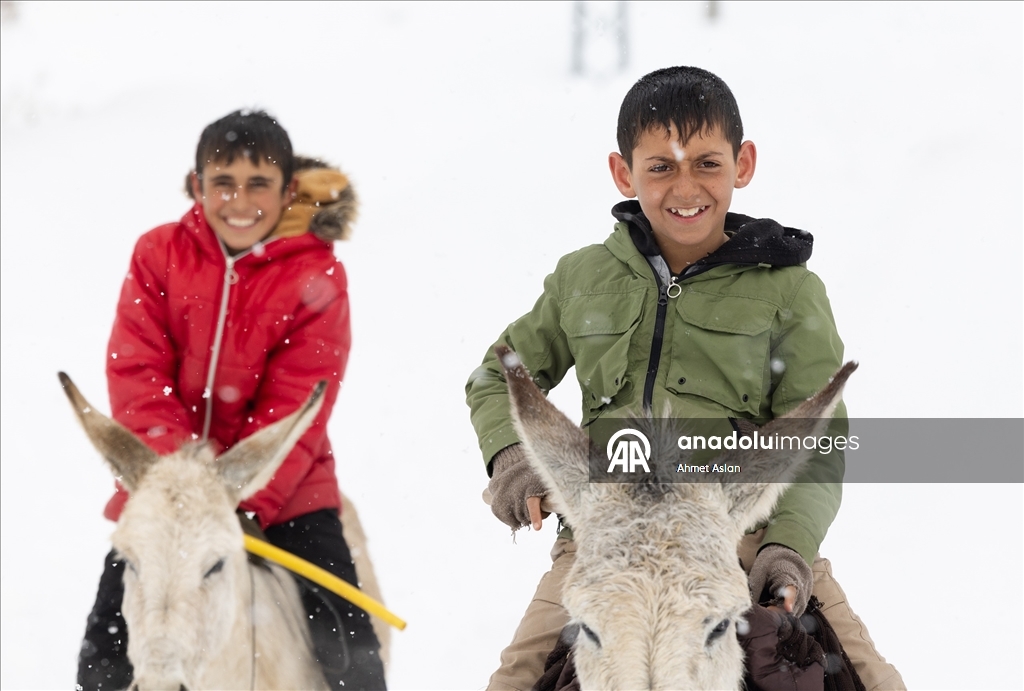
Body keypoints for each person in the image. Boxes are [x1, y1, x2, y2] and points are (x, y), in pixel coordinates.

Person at [466, 67, 904, 691]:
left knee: (873, 680)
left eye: (706, 163)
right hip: (607, 543)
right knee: (515, 677)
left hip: (742, 539)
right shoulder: (581, 279)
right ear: (624, 173)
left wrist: (789, 547)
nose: (686, 187)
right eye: (661, 168)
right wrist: (513, 459)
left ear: (742, 163)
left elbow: (819, 441)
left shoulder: (790, 292)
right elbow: (497, 375)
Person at [76, 109, 386, 690]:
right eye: (222, 183)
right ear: (197, 186)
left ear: (288, 189)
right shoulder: (157, 254)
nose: (239, 201)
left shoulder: (316, 274)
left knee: (350, 652)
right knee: (103, 660)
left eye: (258, 184)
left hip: (287, 490)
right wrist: (183, 483)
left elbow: (301, 402)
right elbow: (137, 371)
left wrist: (242, 500)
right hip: (165, 494)